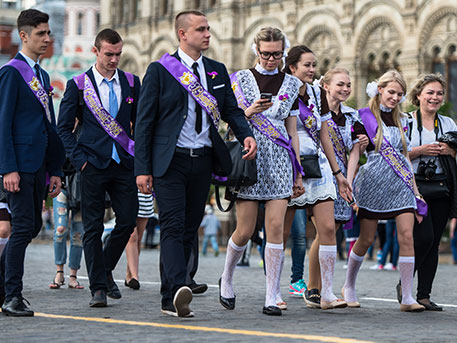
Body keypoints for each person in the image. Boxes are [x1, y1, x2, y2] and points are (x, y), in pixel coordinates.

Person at [135, 10, 256, 318]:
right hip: (169, 161)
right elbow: (145, 123)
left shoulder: (216, 71)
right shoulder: (160, 70)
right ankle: (177, 289)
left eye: (208, 29)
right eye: (200, 29)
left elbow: (232, 110)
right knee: (173, 226)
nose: (207, 34)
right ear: (183, 34)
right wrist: (142, 168)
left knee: (190, 228)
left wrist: (246, 135)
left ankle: (170, 295)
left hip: (202, 159)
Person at [219, 27, 303, 316]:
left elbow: (293, 131)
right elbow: (227, 124)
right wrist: (249, 111)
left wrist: (298, 171)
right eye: (265, 53)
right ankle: (227, 278)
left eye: (277, 54)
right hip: (250, 157)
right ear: (256, 50)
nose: (270, 59)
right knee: (244, 230)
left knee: (277, 229)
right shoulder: (239, 79)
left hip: (280, 158)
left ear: (283, 52)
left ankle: (272, 293)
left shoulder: (292, 84)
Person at [58, 29, 140, 307]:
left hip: (124, 163)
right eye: (109, 54)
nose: (114, 59)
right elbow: (63, 129)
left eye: (118, 54)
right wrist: (79, 159)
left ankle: (104, 269)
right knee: (92, 227)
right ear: (96, 51)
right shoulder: (78, 85)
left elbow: (140, 124)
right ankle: (98, 288)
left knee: (128, 221)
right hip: (92, 164)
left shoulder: (132, 82)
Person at [0, 9, 65, 316]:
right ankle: (12, 295)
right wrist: (7, 168)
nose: (47, 39)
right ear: (23, 36)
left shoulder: (41, 75)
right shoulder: (12, 73)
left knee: (34, 224)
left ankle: (4, 288)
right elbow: (3, 124)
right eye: (41, 34)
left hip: (39, 164)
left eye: (48, 33)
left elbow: (49, 125)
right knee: (25, 225)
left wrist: (55, 169)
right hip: (20, 164)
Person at [343, 69, 425, 312]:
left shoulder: (405, 120)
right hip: (373, 182)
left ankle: (408, 296)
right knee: (367, 238)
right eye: (391, 92)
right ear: (380, 90)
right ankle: (349, 285)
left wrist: (415, 190)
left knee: (407, 237)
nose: (395, 97)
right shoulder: (363, 116)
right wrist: (347, 183)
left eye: (400, 94)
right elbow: (355, 154)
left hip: (400, 183)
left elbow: (406, 156)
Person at [283, 46, 352, 310]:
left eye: (314, 65)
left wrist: (338, 174)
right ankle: (272, 292)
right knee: (283, 232)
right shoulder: (284, 91)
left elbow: (324, 135)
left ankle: (326, 293)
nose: (312, 70)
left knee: (326, 230)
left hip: (319, 164)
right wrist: (294, 168)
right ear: (292, 68)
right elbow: (287, 131)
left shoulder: (316, 93)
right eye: (307, 65)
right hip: (291, 163)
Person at [406, 73, 457, 311]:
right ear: (418, 95)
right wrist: (419, 150)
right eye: (430, 93)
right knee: (422, 238)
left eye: (439, 93)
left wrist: (450, 151)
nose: (435, 98)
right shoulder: (405, 121)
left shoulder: (448, 123)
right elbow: (394, 154)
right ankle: (405, 287)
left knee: (434, 241)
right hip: (413, 187)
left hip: (440, 186)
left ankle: (423, 295)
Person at [49, 161, 85, 290]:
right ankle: (59, 272)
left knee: (78, 234)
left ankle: (73, 276)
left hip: (81, 186)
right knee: (60, 229)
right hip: (61, 186)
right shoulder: (61, 140)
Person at [124, 191, 154, 290]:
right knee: (132, 237)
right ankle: (135, 276)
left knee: (138, 240)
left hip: (144, 195)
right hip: (127, 192)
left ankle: (129, 275)